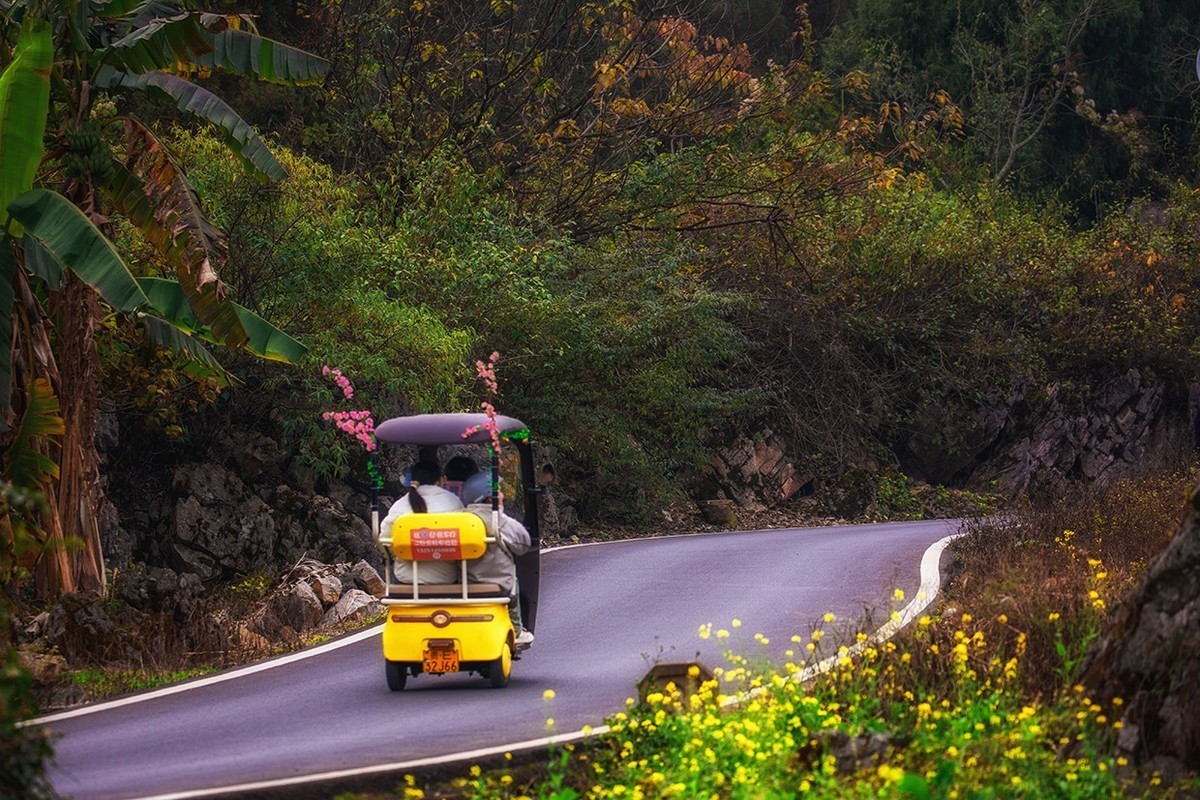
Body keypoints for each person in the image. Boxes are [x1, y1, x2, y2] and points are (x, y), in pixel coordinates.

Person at [463, 481, 535, 647]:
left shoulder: (461, 517)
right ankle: (516, 630)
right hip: (498, 582)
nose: (502, 494)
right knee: (513, 585)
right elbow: (523, 544)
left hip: (466, 581)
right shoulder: (500, 522)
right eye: (500, 491)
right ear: (490, 499)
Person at [381, 460, 463, 584]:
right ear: (440, 480)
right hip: (446, 578)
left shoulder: (400, 506)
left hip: (406, 579)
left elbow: (385, 539)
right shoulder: (453, 502)